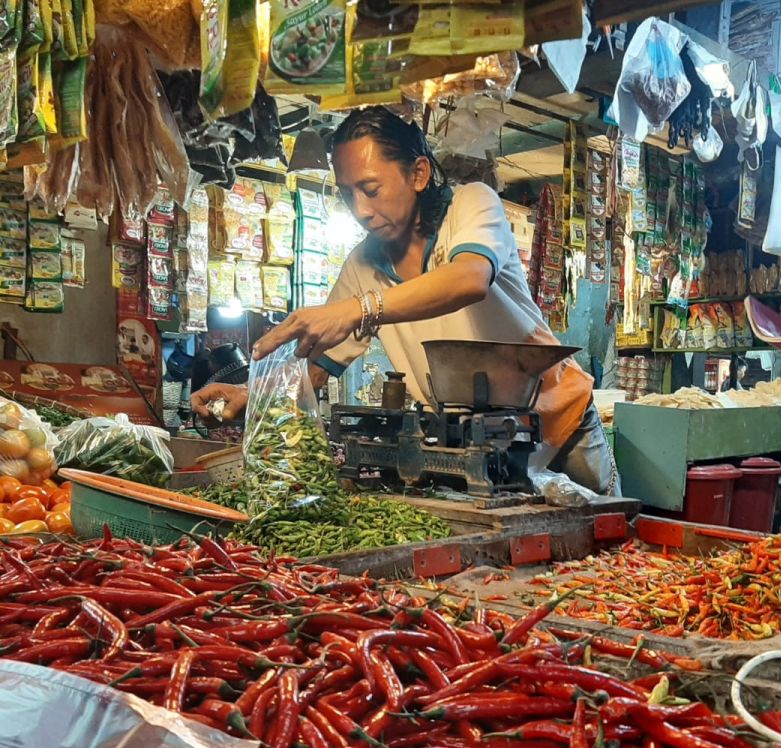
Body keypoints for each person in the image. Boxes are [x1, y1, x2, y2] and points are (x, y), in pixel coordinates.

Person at [192, 107, 618, 494]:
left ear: (417, 174)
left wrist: (357, 310)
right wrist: (252, 391)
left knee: (617, 562)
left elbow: (469, 279)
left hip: (561, 426)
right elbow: (315, 367)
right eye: (347, 193)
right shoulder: (362, 264)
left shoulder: (471, 205)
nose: (359, 209)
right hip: (469, 446)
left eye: (371, 188)